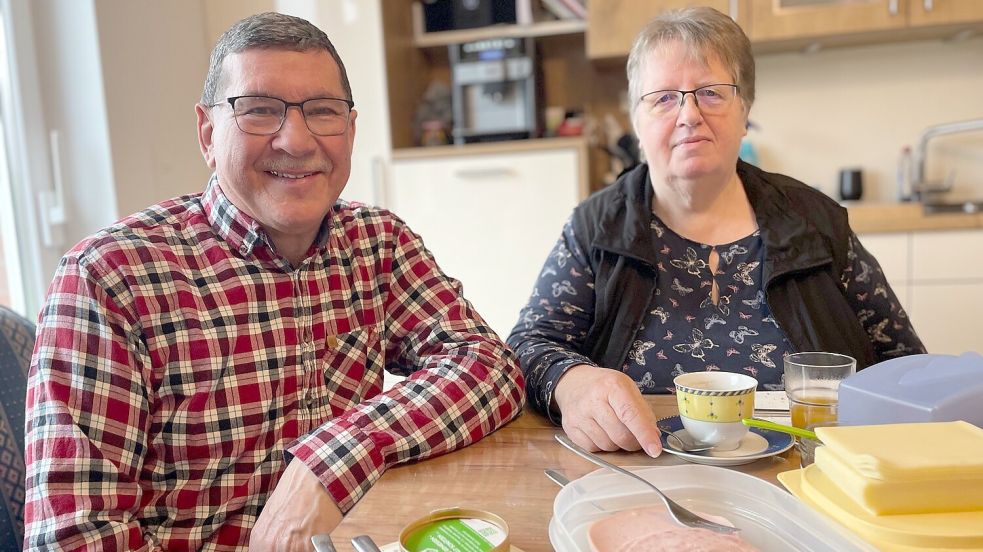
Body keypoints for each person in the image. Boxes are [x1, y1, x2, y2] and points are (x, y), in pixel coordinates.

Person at [24, 12, 523, 551]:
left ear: (350, 132)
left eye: (322, 112)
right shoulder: (108, 278)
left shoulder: (377, 242)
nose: (295, 140)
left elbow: (488, 366)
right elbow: (75, 539)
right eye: (260, 111)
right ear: (208, 133)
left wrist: (330, 460)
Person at [507, 6, 924, 458]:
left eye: (710, 92)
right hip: (642, 473)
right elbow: (529, 346)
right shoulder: (595, 228)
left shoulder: (816, 222)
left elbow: (906, 365)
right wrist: (572, 382)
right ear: (637, 123)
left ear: (745, 110)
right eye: (664, 97)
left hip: (810, 474)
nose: (688, 114)